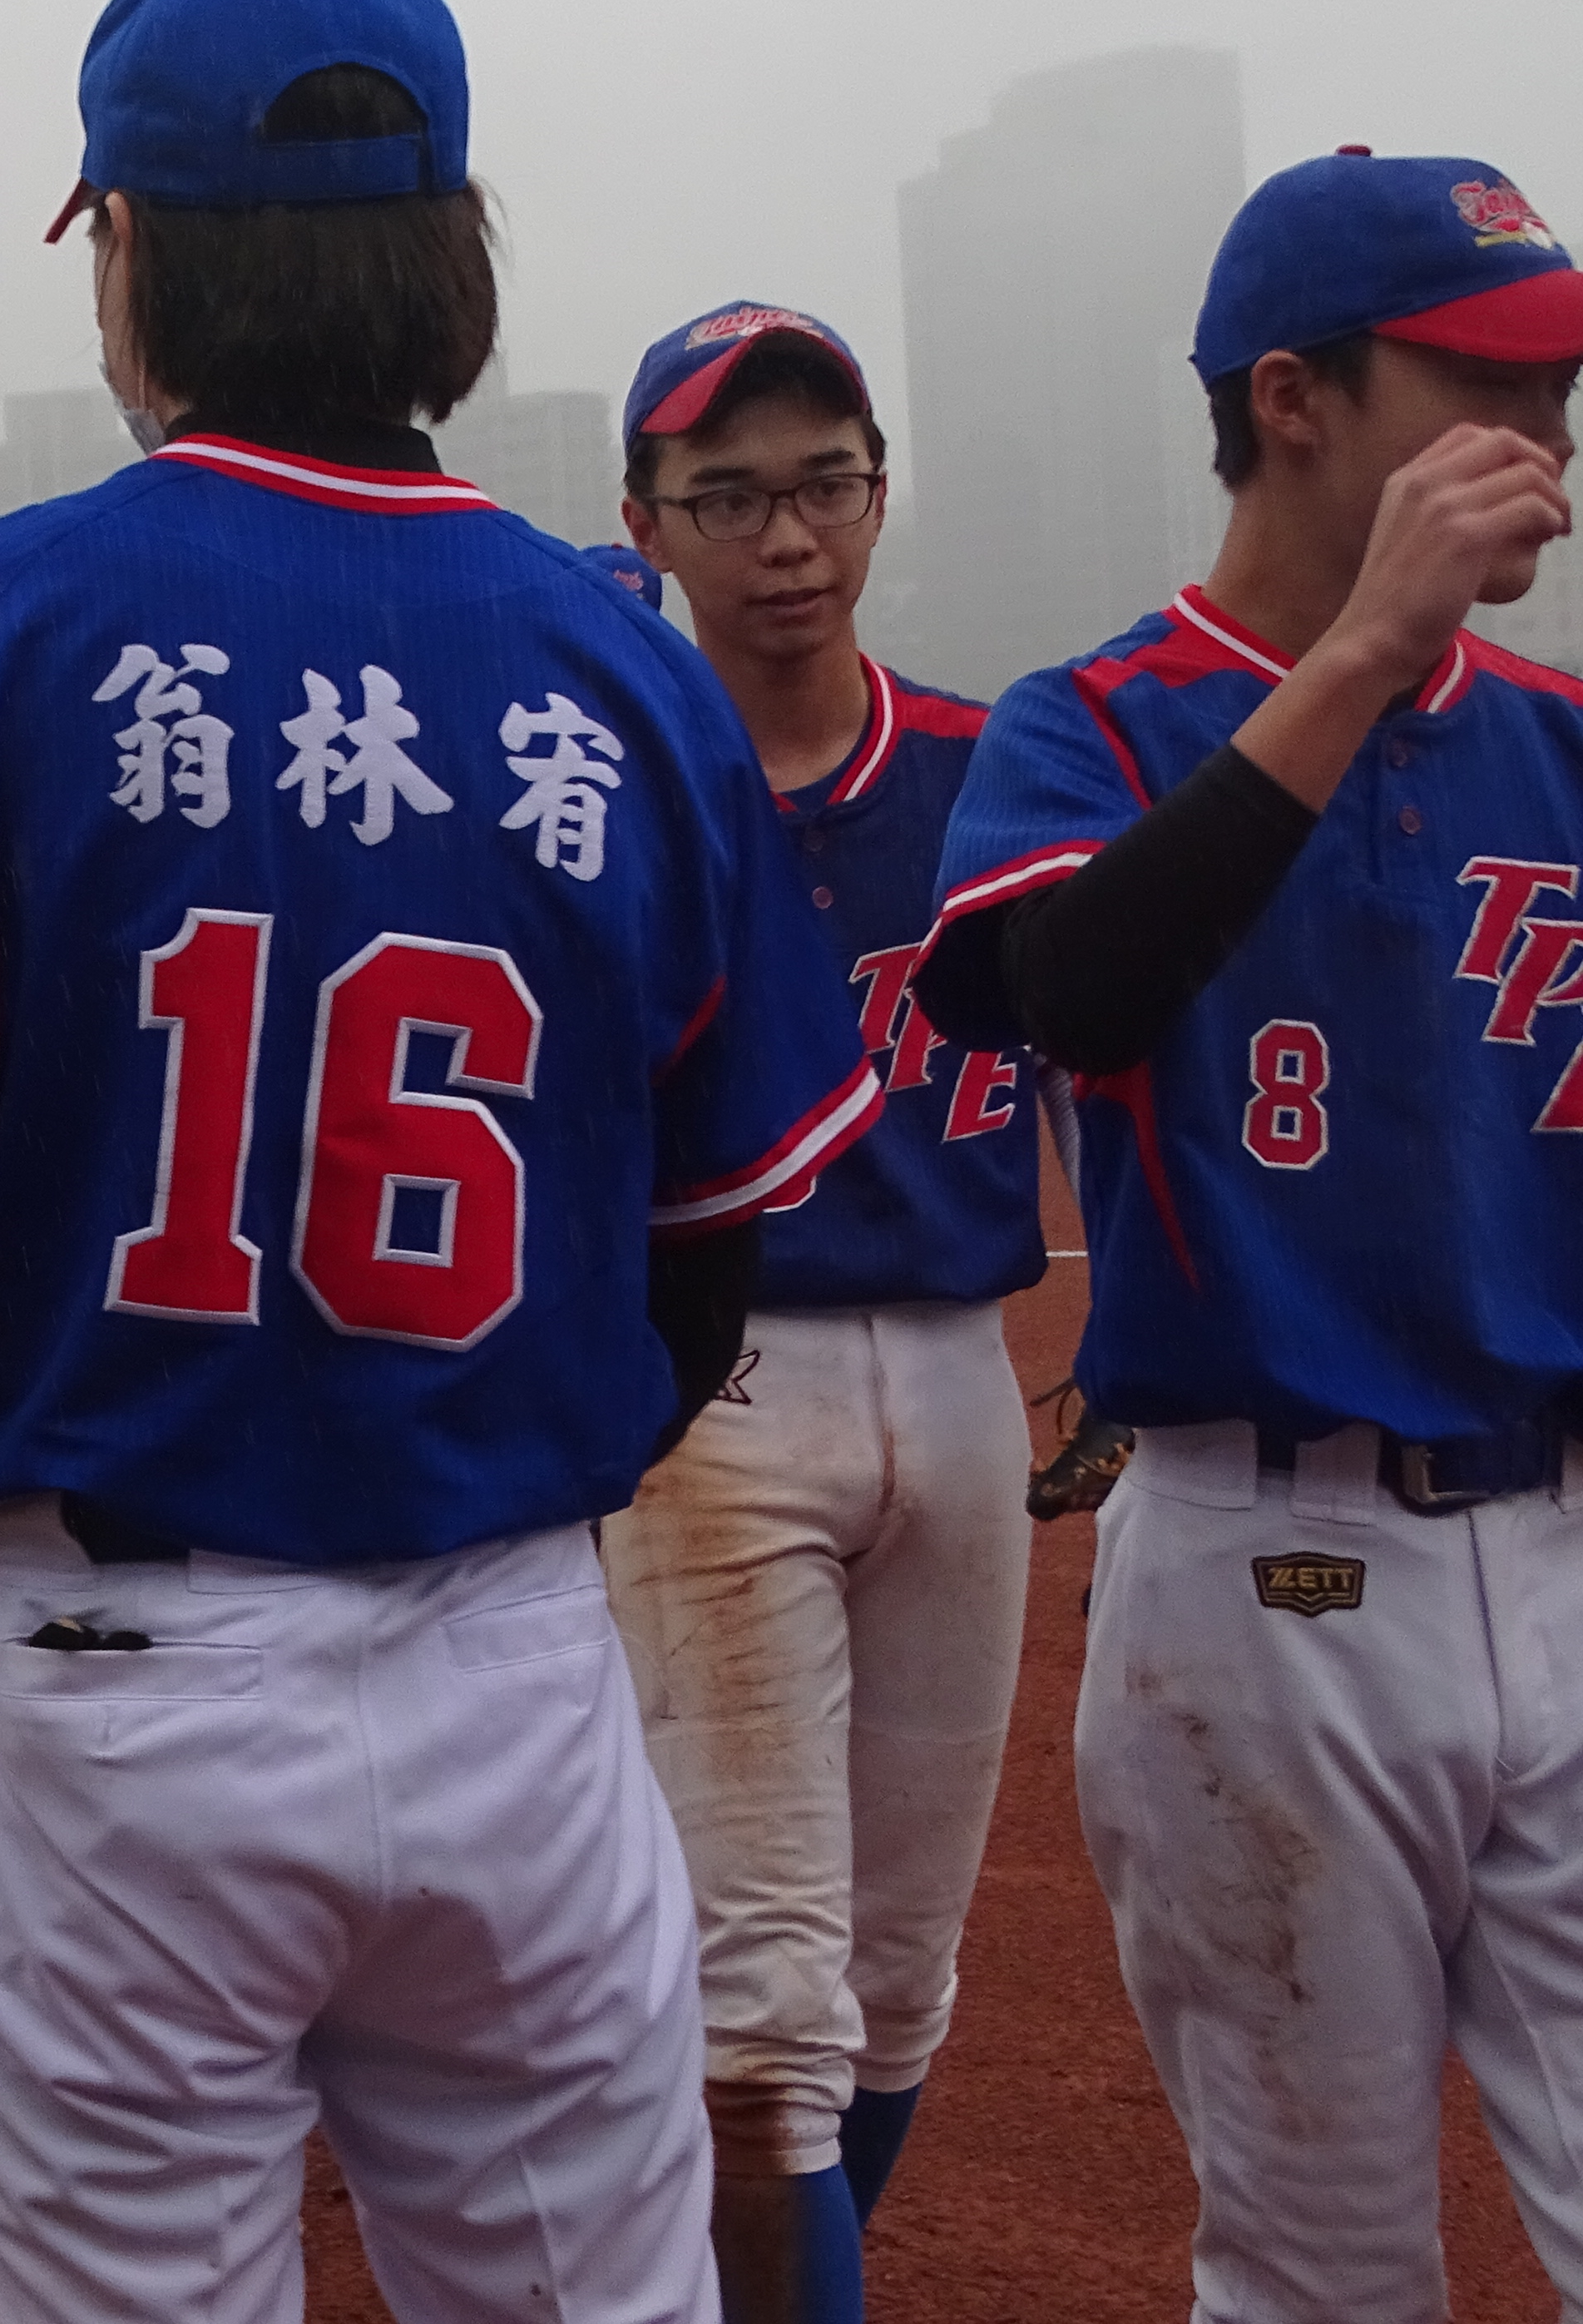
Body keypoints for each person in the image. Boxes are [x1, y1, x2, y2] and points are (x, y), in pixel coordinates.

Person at [0, 0, 878, 2324]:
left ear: (132, 253)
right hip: (519, 1666)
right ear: (450, 255)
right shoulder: (620, 673)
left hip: (125, 1673)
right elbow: (704, 1264)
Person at [921, 146, 1583, 2322]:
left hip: (1565, 1551)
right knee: (1328, 2280)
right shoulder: (1101, 723)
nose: (1546, 433)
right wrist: (1371, 648)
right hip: (1275, 1590)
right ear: (1292, 400)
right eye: (1487, 382)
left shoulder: (1562, 746)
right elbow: (1074, 993)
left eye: (1560, 385)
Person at [595, 303, 1046, 2322]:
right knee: (764, 2003)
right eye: (728, 497)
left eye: (822, 484)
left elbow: (1116, 1052)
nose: (785, 537)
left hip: (960, 1381)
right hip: (719, 1389)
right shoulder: (604, 774)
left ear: (877, 496)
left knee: (897, 1976)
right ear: (647, 525)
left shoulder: (988, 766)